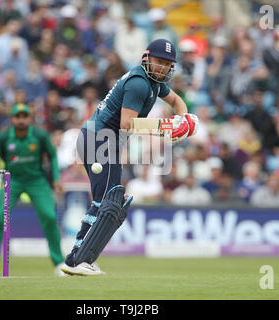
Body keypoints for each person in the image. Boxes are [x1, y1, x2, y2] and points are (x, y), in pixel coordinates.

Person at [61, 39, 199, 276]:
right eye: (159, 61)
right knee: (105, 201)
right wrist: (167, 126)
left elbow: (177, 101)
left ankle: (78, 258)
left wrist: (183, 120)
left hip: (106, 142)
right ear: (147, 59)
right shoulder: (139, 83)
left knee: (111, 201)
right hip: (99, 139)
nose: (162, 67)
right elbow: (127, 124)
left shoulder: (155, 83)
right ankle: (78, 260)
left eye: (167, 64)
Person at [0, 103, 65, 277]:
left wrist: (56, 179)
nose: (21, 120)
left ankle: (59, 263)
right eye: (17, 116)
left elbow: (52, 156)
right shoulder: (3, 137)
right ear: (11, 119)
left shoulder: (40, 135)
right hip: (11, 180)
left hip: (36, 180)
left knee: (50, 217)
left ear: (30, 118)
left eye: (24, 116)